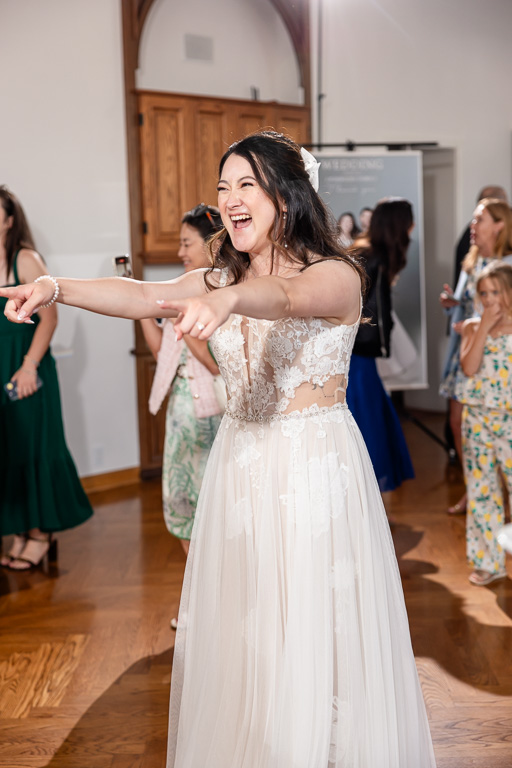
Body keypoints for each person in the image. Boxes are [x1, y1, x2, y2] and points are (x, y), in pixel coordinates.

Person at [0, 132, 436, 766]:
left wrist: (226, 297)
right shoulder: (215, 276)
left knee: (313, 626)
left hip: (313, 468)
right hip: (240, 463)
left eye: (246, 186)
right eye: (223, 187)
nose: (230, 200)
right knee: (249, 630)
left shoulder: (337, 275)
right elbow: (145, 297)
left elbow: (284, 299)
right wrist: (58, 288)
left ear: (286, 196)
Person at [0, 186, 93, 570]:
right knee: (11, 449)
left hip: (26, 366)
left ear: (8, 221)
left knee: (35, 447)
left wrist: (28, 366)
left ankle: (41, 535)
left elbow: (49, 316)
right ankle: (22, 532)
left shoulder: (25, 258)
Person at [140, 203, 224, 556]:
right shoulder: (184, 292)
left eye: (187, 243)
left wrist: (184, 320)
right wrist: (147, 312)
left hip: (214, 417)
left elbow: (218, 366)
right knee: (181, 504)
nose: (180, 252)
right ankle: (197, 601)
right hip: (180, 414)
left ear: (212, 244)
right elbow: (163, 354)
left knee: (215, 512)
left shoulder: (226, 294)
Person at [439, 198, 512, 515]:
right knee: (458, 422)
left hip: (499, 353)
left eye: (479, 219)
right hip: (467, 347)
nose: (473, 224)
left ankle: (501, 494)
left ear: (499, 224)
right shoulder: (470, 263)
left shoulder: (507, 264)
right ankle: (476, 487)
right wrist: (452, 303)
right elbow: (465, 302)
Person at [346, 198, 415, 492]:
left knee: (371, 420)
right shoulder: (371, 256)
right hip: (355, 354)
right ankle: (364, 494)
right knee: (368, 424)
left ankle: (367, 497)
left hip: (359, 353)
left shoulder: (370, 253)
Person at [459, 261, 512, 585]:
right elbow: (469, 367)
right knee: (481, 490)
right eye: (484, 293)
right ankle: (488, 561)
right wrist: (481, 328)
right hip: (477, 418)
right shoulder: (472, 327)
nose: (490, 299)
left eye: (497, 292)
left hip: (510, 419)